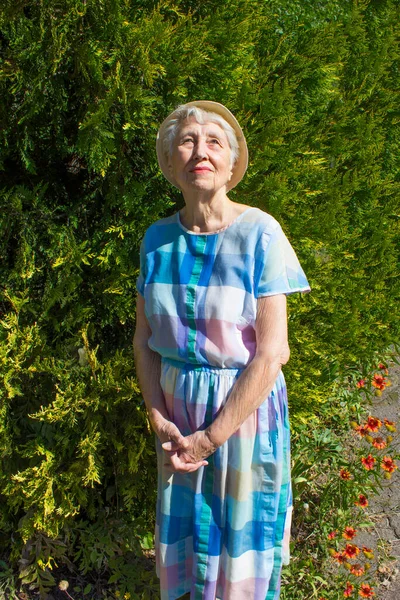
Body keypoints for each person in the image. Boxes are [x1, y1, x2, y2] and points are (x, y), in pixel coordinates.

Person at [133, 100, 311, 600]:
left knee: (238, 559)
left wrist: (211, 437)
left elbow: (273, 352)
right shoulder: (156, 240)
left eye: (214, 142)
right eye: (187, 141)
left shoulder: (261, 233)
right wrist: (158, 418)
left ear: (232, 164)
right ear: (171, 163)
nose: (200, 151)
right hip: (176, 420)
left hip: (243, 420)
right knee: (186, 555)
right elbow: (144, 344)